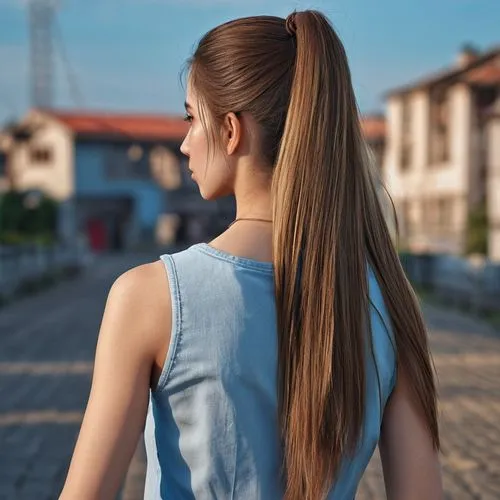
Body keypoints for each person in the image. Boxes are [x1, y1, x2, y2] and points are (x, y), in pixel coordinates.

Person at [59, 10, 443, 500]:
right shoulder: (387, 300)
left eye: (191, 119)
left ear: (232, 130)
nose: (184, 143)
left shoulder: (151, 297)